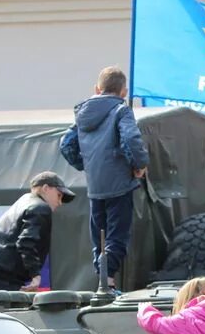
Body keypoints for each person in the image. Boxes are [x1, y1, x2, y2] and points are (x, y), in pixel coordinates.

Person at [58, 66, 149, 291]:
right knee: (116, 236)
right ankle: (107, 283)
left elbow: (66, 144)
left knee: (99, 237)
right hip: (119, 183)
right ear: (123, 91)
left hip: (95, 186)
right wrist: (139, 165)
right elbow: (131, 139)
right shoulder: (121, 110)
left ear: (97, 89)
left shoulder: (82, 114)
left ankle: (102, 283)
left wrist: (85, 164)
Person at [0, 171, 75, 291]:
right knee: (10, 310)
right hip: (5, 276)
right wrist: (35, 275)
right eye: (59, 195)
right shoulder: (40, 207)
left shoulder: (24, 201)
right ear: (45, 188)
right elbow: (26, 243)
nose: (60, 202)